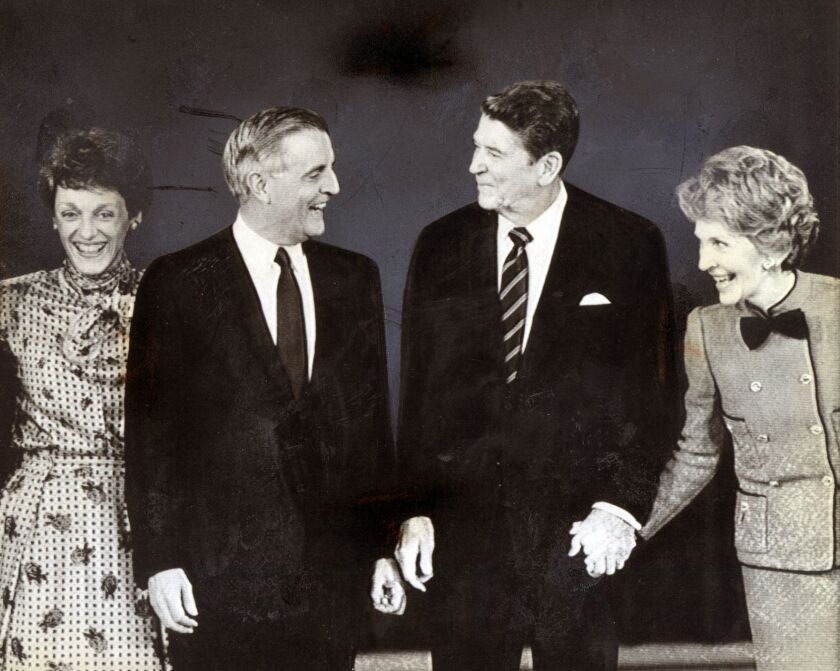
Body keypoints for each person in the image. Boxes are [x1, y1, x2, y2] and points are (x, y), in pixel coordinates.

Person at [387, 80, 677, 670]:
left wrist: (618, 509)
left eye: (493, 155)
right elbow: (417, 395)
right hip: (463, 538)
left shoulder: (628, 243)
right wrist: (413, 512)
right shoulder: (441, 244)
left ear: (547, 165)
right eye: (476, 147)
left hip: (577, 535)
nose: (473, 166)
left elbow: (654, 394)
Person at [124, 106, 393, 671]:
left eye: (332, 169)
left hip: (329, 587)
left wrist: (378, 549)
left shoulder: (355, 277)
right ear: (257, 183)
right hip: (216, 587)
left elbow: (369, 433)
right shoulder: (177, 282)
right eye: (316, 173)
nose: (335, 187)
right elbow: (151, 438)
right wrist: (160, 560)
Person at [640, 146, 838, 671]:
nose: (704, 262)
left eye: (718, 243)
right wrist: (628, 524)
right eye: (700, 242)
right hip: (781, 564)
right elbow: (696, 454)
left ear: (769, 245)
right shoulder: (707, 330)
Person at [0, 129, 162, 669]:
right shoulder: (12, 302)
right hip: (35, 528)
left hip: (133, 523)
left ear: (133, 216)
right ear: (53, 217)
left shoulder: (166, 302)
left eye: (104, 214)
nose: (85, 232)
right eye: (71, 213)